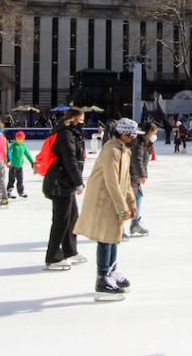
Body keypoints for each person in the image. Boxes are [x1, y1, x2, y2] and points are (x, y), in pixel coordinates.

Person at [74, 117, 140, 298]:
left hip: (114, 198)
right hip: (103, 199)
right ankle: (102, 277)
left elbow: (125, 180)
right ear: (124, 134)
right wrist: (121, 207)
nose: (135, 138)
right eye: (133, 135)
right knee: (105, 236)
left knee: (114, 235)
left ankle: (112, 270)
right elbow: (112, 182)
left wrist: (131, 202)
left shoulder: (124, 150)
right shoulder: (111, 150)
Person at [42, 107, 88, 270]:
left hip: (64, 182)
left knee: (72, 217)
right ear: (74, 119)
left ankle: (70, 250)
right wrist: (78, 182)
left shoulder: (70, 133)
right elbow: (70, 160)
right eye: (81, 120)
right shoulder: (66, 134)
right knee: (61, 220)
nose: (82, 123)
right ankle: (53, 257)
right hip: (59, 182)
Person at [128, 122, 157, 237]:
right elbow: (137, 158)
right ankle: (117, 225)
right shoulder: (138, 142)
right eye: (154, 133)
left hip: (136, 175)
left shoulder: (146, 142)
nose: (155, 136)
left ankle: (135, 222)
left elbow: (144, 161)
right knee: (124, 203)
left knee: (138, 197)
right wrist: (141, 174)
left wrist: (143, 173)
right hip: (131, 175)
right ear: (148, 132)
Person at [6, 130, 35, 199]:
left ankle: (21, 191)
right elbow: (9, 153)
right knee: (11, 179)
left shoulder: (23, 146)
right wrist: (8, 161)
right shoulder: (13, 145)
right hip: (13, 166)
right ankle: (9, 191)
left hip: (20, 166)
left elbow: (28, 155)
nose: (19, 140)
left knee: (20, 179)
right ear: (16, 138)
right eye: (18, 139)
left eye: (21, 139)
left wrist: (32, 162)